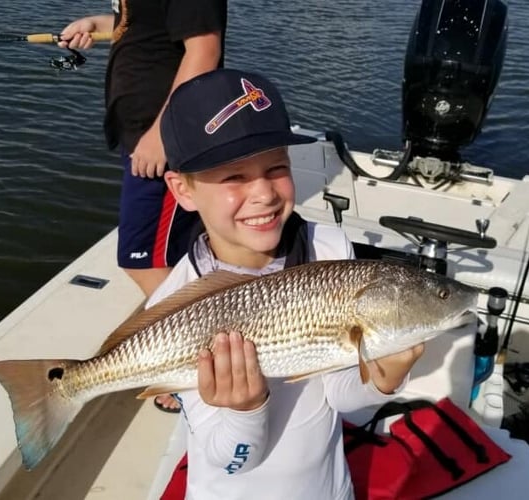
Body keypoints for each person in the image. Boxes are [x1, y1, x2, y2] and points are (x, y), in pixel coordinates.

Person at [146, 68, 425, 499]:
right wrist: (245, 410)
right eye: (233, 177)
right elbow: (232, 458)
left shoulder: (330, 247)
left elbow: (338, 395)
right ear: (182, 190)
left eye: (276, 167)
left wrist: (383, 377)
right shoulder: (172, 309)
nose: (264, 193)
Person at [59, 2, 226, 412]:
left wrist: (162, 135)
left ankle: (195, 363)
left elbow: (204, 49)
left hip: (164, 142)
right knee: (177, 255)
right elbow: (140, 22)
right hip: (142, 137)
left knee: (142, 260)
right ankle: (210, 354)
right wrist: (97, 25)